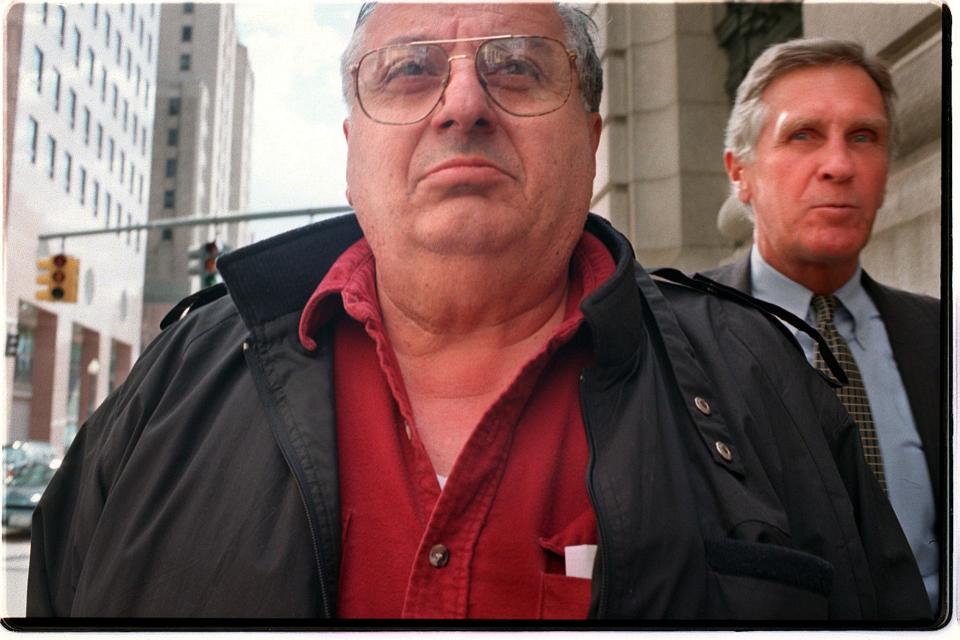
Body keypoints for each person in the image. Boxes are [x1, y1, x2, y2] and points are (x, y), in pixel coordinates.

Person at [27, 4, 930, 621]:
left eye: (518, 67)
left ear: (589, 135)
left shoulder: (763, 379)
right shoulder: (172, 383)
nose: (463, 104)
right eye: (410, 70)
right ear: (352, 147)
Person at [704, 37, 941, 616]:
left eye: (864, 137)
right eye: (803, 134)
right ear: (741, 174)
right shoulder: (676, 338)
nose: (839, 165)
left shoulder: (943, 336)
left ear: (886, 171)